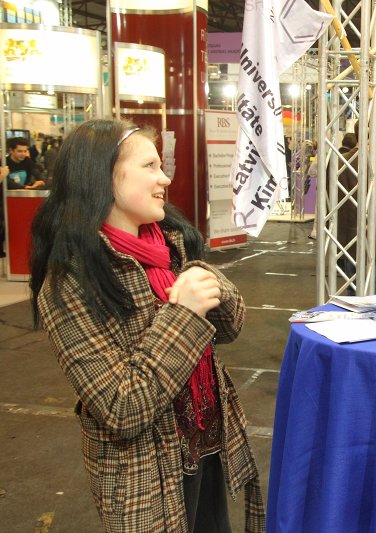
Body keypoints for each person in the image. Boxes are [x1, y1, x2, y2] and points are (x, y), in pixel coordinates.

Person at [29, 119, 265, 532]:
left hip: (208, 448)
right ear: (102, 175)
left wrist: (212, 287)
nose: (165, 178)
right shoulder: (70, 281)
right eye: (150, 166)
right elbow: (122, 407)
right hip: (146, 474)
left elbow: (230, 327)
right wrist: (185, 313)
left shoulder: (166, 245)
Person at [338, 119, 376, 293]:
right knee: (372, 295)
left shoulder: (336, 163)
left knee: (350, 293)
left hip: (343, 240)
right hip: (371, 241)